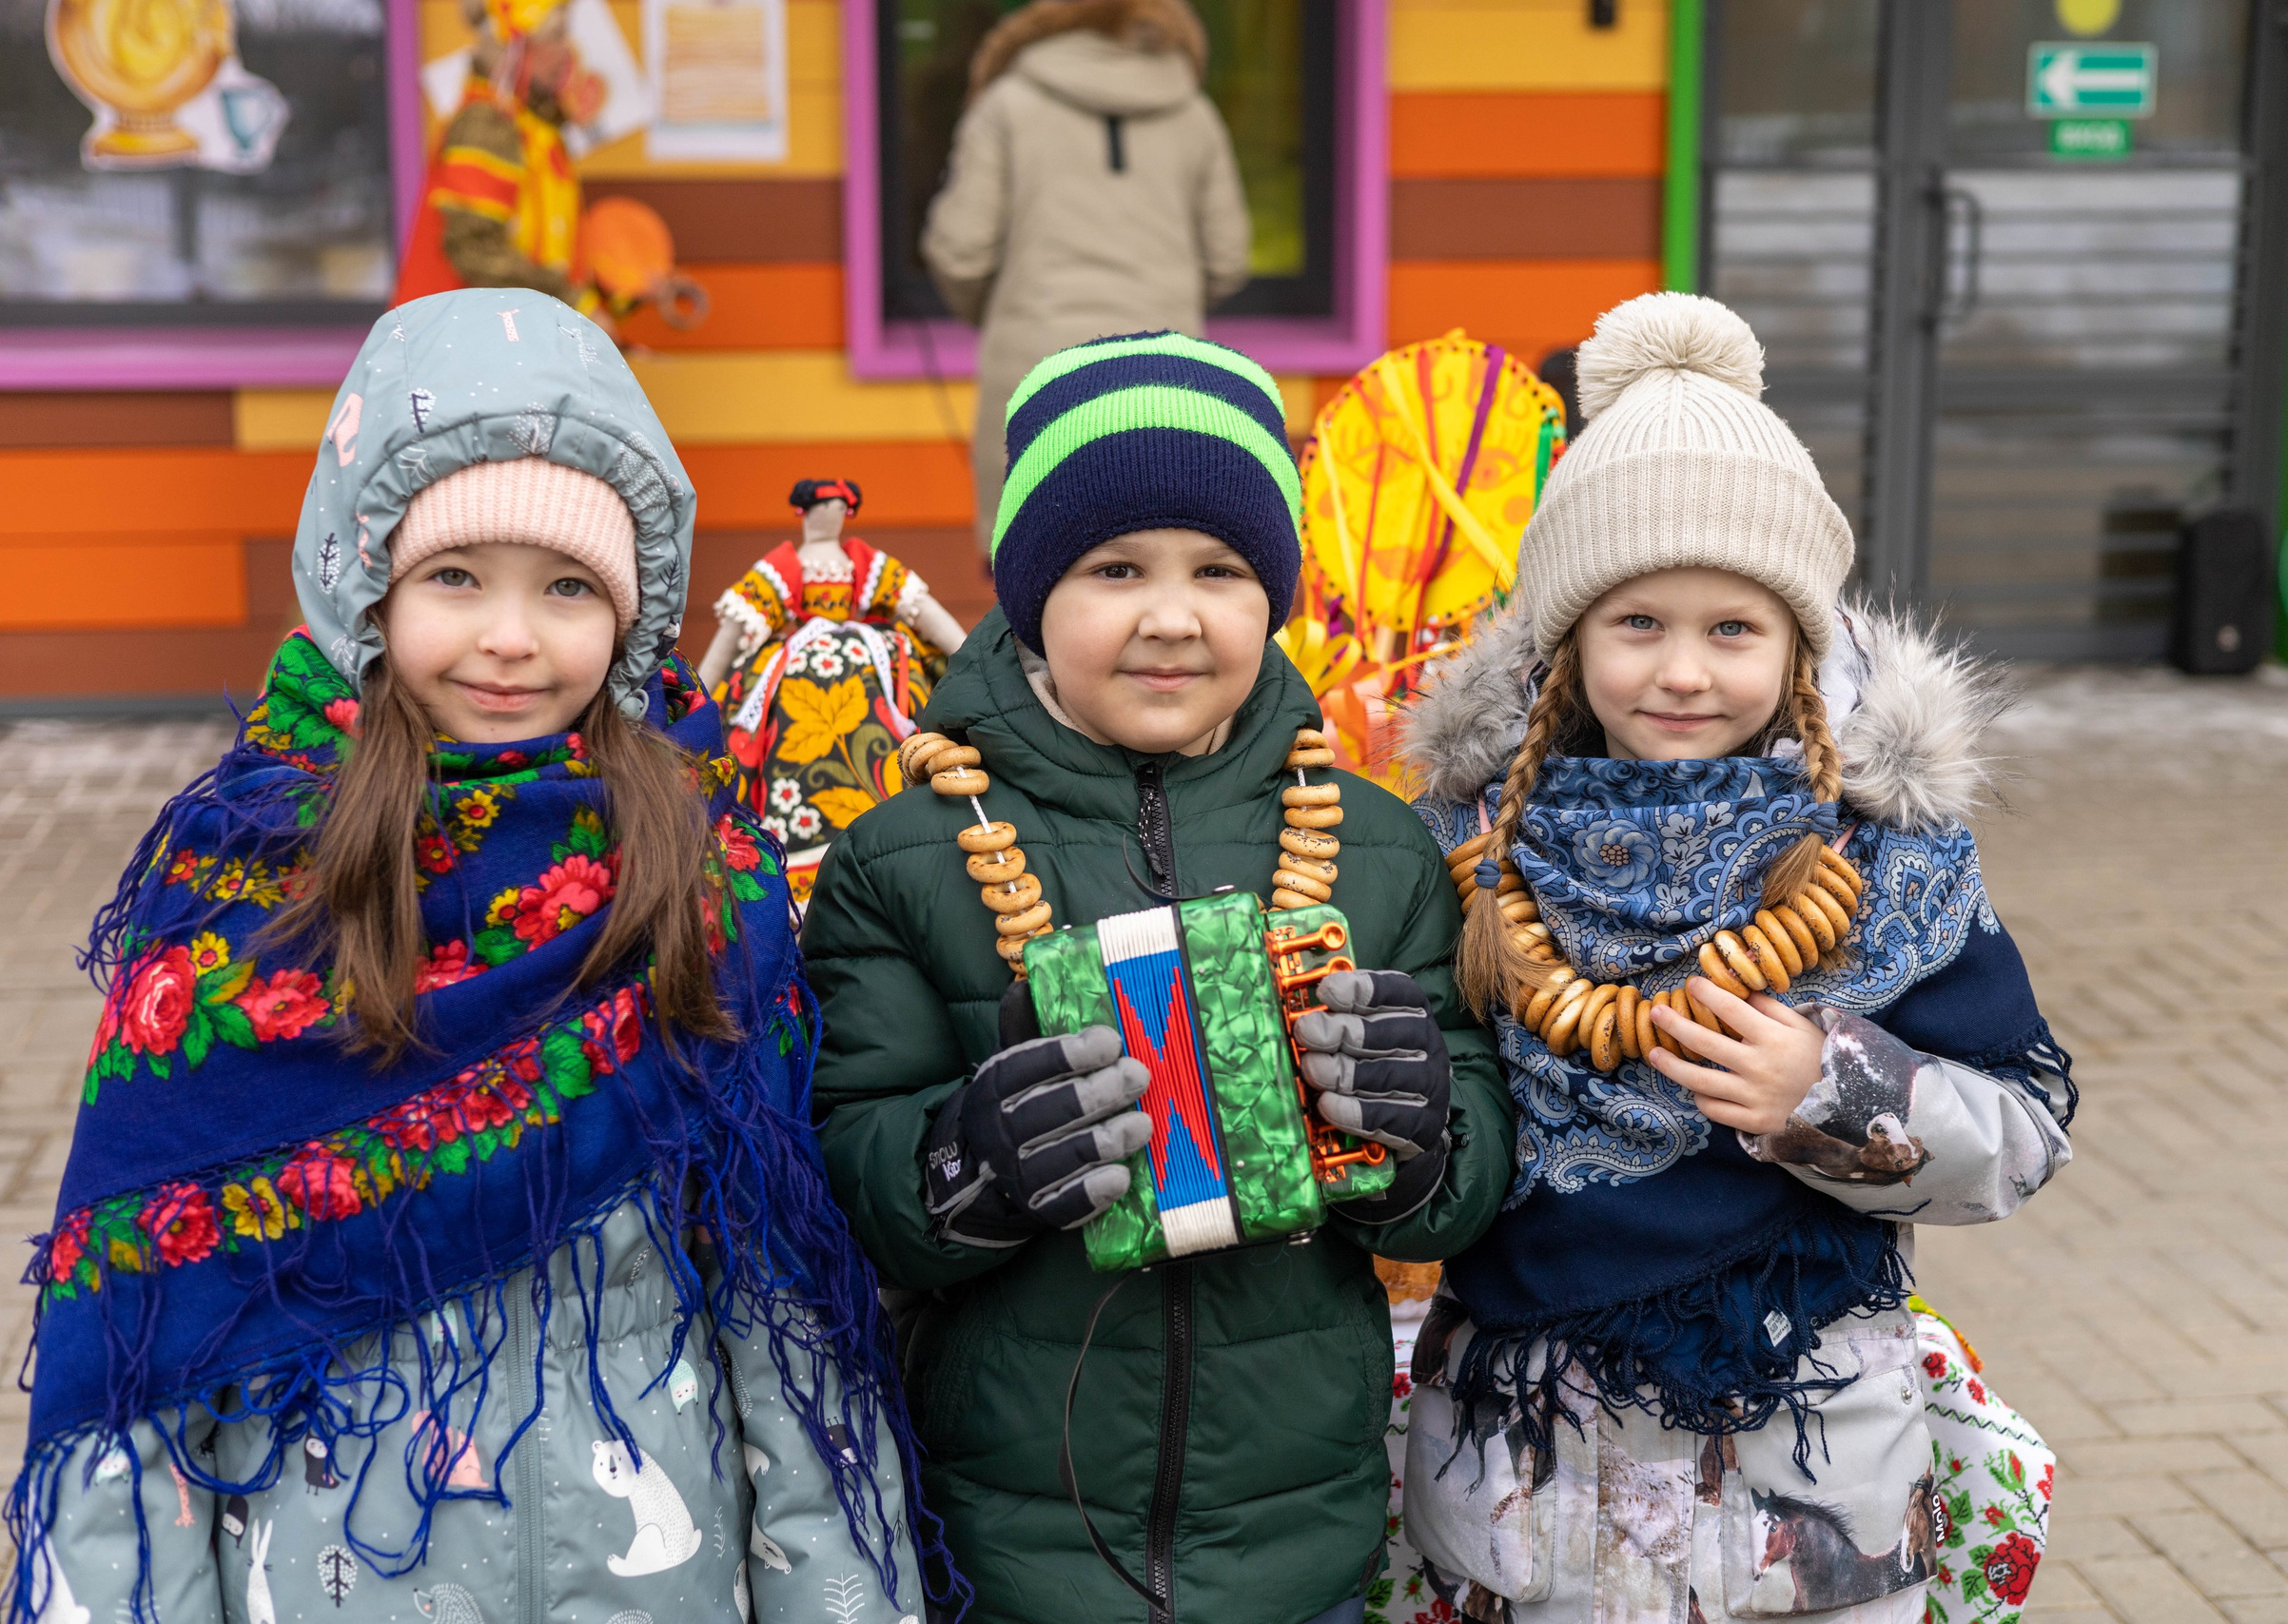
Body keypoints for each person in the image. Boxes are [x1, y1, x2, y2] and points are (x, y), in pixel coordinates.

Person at [10, 290, 939, 1624]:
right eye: (457, 578)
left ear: (629, 612)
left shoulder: (695, 877)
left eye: (567, 586)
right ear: (368, 585)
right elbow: (142, 1357)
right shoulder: (245, 899)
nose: (512, 636)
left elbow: (785, 1312)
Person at [798, 332, 1517, 1624]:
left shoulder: (1376, 846)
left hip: (1300, 1539)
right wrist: (962, 1163)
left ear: (1274, 594)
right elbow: (853, 1156)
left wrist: (1423, 1142)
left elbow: (1455, 1189)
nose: (1172, 613)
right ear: (1027, 593)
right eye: (1114, 566)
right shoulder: (907, 854)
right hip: (1008, 1539)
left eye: (1222, 568)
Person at [1388, 293, 2077, 1623]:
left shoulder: (1886, 854)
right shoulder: (1464, 850)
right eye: (1636, 621)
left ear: (1801, 648)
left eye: (1734, 627)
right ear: (1567, 640)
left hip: (1812, 1497)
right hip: (1529, 1498)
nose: (1686, 672)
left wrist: (1840, 1092)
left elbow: (2028, 1127)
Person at [921, 0, 1251, 562]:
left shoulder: (1007, 105)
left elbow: (961, 251)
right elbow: (1228, 257)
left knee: (1034, 582)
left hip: (1036, 372)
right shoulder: (1194, 113)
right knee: (1156, 567)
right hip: (1165, 376)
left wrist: (1003, 311)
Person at [700, 479, 968, 902]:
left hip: (871, 669)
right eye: (823, 505)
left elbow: (920, 608)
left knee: (892, 731)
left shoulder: (863, 562)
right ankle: (802, 848)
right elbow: (733, 632)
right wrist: (702, 689)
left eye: (840, 505)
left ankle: (899, 833)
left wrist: (969, 658)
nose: (832, 513)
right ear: (802, 512)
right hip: (798, 674)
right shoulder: (783, 567)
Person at [394, 0, 602, 311]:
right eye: (555, 35)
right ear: (515, 49)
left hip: (508, 339)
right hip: (467, 343)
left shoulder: (534, 129)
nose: (565, 51)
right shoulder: (487, 125)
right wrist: (575, 306)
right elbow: (476, 249)